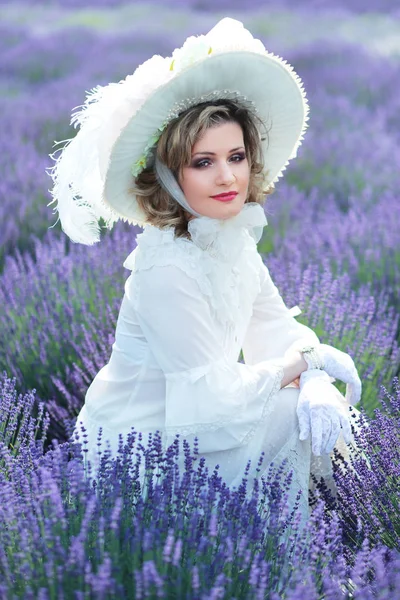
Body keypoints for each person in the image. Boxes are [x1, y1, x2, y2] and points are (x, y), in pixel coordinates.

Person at [48, 18, 363, 523]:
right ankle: (285, 569)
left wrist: (313, 378)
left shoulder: (229, 240)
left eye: (236, 156)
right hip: (143, 450)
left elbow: (272, 326)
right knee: (293, 419)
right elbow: (209, 402)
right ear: (169, 177)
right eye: (203, 162)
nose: (228, 177)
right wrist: (305, 366)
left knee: (319, 413)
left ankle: (327, 553)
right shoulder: (165, 268)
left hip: (197, 419)